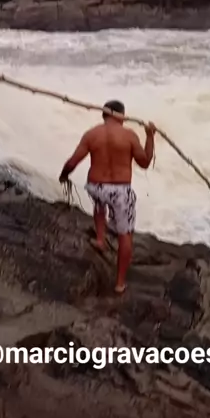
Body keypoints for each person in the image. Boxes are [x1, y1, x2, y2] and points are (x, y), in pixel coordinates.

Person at [58, 100, 156, 295]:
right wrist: (150, 137)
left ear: (104, 114)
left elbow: (72, 162)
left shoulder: (92, 134)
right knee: (125, 234)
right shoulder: (129, 135)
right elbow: (145, 162)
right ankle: (119, 284)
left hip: (96, 187)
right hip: (120, 191)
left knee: (99, 204)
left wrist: (64, 175)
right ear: (121, 115)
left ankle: (100, 239)